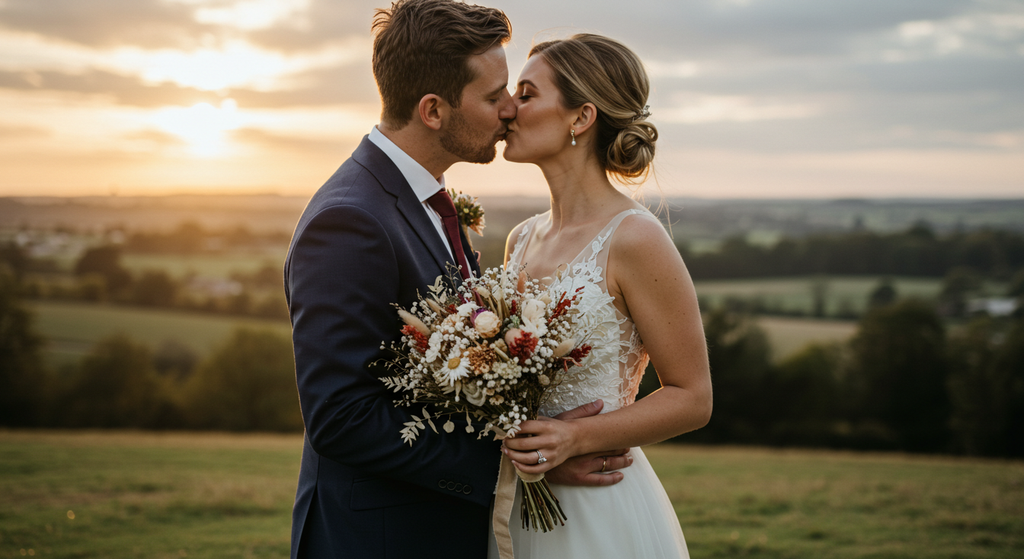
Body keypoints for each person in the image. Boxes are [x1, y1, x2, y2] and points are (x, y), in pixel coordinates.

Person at [284, 3, 631, 558]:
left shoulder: (427, 203)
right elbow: (341, 418)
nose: (508, 110)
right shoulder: (350, 219)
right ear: (433, 110)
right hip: (381, 541)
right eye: (494, 96)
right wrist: (516, 465)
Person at [489, 34, 713, 558]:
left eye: (526, 94)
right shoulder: (520, 239)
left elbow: (693, 396)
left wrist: (576, 440)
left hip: (600, 509)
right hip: (519, 500)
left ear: (580, 117)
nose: (507, 109)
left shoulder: (635, 238)